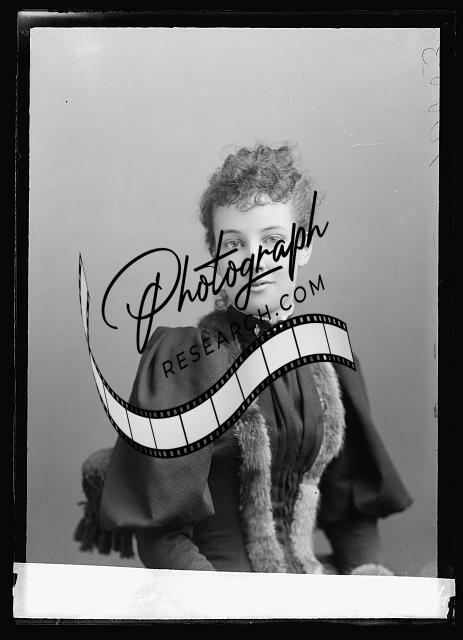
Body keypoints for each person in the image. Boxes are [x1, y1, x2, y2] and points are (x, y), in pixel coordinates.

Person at [98, 143, 412, 574]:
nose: (254, 261)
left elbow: (351, 517)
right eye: (234, 244)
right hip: (214, 596)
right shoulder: (185, 361)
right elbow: (161, 537)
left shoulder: (329, 361)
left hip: (313, 592)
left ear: (304, 247)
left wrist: (366, 580)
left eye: (273, 240)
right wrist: (229, 607)